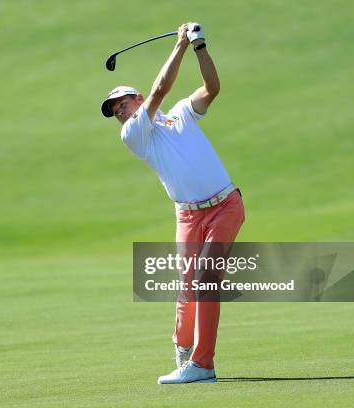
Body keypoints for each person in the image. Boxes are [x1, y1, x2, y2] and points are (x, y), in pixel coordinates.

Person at [100, 22, 245, 384]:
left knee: (206, 281)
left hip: (226, 205)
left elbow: (212, 88)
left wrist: (199, 47)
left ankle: (202, 364)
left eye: (122, 103)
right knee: (188, 287)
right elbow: (160, 88)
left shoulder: (181, 112)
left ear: (135, 99)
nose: (119, 110)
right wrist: (180, 44)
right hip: (188, 215)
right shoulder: (133, 134)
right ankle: (184, 350)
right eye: (114, 108)